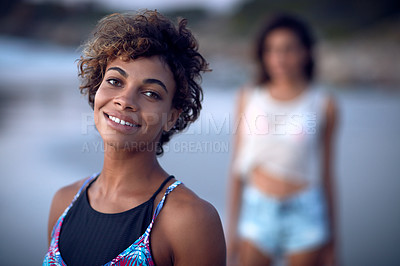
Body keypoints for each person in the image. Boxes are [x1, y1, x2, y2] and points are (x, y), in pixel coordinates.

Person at [43, 10, 226, 266]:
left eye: (151, 93)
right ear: (97, 89)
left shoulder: (189, 220)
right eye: (115, 81)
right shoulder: (63, 202)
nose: (125, 101)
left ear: (172, 116)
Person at [227, 14, 338, 266]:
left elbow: (327, 173)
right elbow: (236, 167)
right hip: (257, 210)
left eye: (288, 49)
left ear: (306, 52)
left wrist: (333, 241)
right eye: (271, 50)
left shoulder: (323, 104)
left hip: (305, 211)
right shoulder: (248, 98)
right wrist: (232, 229)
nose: (279, 58)